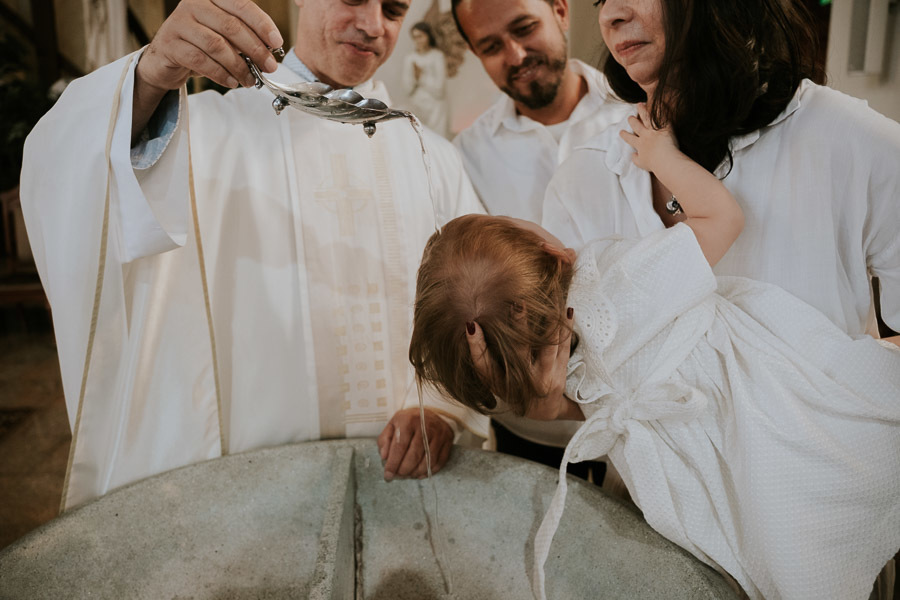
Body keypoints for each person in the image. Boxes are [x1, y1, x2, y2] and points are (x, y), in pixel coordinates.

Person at [408, 104, 900, 600]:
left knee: (775, 544)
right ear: (555, 252)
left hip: (689, 484)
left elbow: (580, 409)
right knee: (859, 408)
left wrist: (536, 400)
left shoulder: (560, 371)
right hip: (759, 397)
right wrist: (662, 158)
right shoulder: (614, 276)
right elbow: (723, 217)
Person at [20, 0, 488, 511]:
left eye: (394, 9)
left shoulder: (432, 158)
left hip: (402, 492)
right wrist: (151, 75)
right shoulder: (195, 131)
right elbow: (65, 174)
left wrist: (444, 413)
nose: (374, 25)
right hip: (243, 500)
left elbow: (476, 314)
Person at [450, 0, 630, 484]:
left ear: (561, 11)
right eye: (490, 47)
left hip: (640, 413)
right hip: (528, 429)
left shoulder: (638, 113)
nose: (515, 54)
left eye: (525, 28)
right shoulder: (466, 155)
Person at [402, 22, 449, 137]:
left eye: (420, 36)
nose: (418, 40)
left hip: (436, 108)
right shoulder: (410, 58)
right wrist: (415, 78)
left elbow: (440, 89)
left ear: (428, 36)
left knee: (437, 140)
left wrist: (421, 77)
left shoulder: (437, 56)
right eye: (415, 37)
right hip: (417, 106)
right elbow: (407, 88)